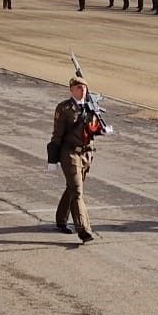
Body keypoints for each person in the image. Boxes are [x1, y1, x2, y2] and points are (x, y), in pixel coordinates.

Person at [51, 74, 107, 243]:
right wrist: (52, 159)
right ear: (71, 90)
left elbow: (92, 129)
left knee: (72, 188)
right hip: (70, 153)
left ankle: (61, 220)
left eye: (84, 87)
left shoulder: (91, 107)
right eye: (78, 87)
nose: (82, 90)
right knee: (77, 191)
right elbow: (57, 135)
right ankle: (84, 230)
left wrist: (102, 130)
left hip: (86, 154)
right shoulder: (64, 108)